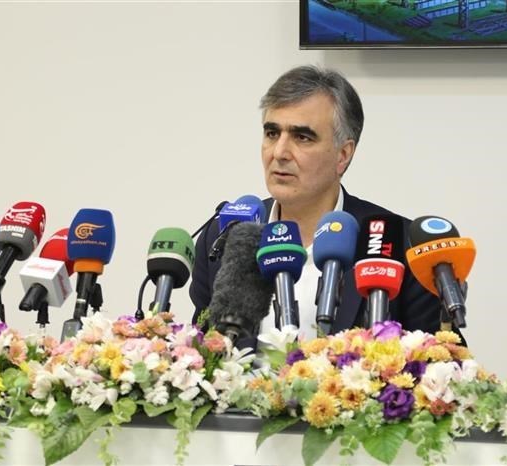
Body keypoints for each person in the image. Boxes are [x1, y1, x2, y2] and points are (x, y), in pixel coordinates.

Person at [190, 65, 452, 342]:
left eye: (302, 137)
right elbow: (205, 349)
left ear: (343, 155)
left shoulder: (400, 245)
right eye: (272, 133)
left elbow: (440, 358)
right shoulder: (225, 235)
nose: (279, 153)